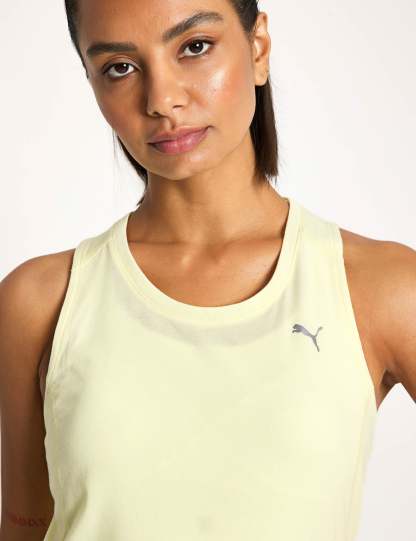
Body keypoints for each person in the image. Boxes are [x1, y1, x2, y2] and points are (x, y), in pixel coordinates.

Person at [1, 0, 415, 540]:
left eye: (194, 47)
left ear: (258, 47)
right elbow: (26, 526)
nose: (161, 99)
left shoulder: (380, 286)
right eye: (119, 68)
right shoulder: (39, 301)